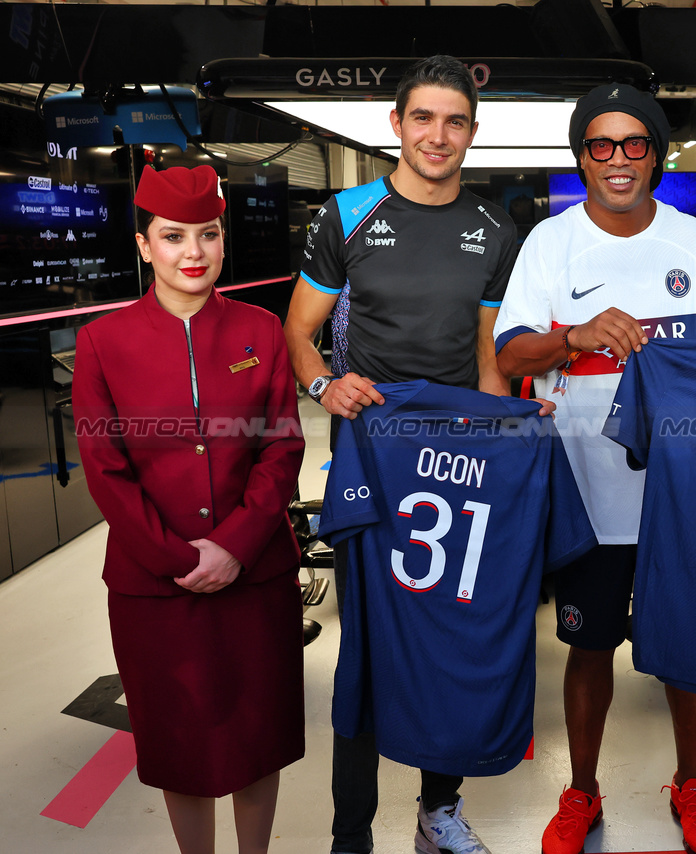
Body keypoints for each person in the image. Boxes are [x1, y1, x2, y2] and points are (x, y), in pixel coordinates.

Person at [493, 82, 696, 854]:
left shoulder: (692, 240)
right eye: (602, 146)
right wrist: (574, 335)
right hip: (588, 489)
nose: (619, 160)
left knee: (688, 646)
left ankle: (690, 782)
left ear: (658, 156)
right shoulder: (550, 243)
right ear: (582, 158)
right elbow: (509, 352)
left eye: (636, 145)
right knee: (587, 645)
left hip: (679, 488)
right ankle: (582, 791)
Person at [282, 55, 520, 854]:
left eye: (455, 121)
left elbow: (488, 350)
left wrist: (503, 433)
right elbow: (298, 333)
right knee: (371, 646)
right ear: (396, 125)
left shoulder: (492, 228)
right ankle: (352, 831)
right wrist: (324, 389)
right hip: (372, 462)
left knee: (449, 630)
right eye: (423, 118)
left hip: (457, 460)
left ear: (473, 135)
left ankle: (438, 809)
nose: (438, 135)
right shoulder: (345, 215)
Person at [74, 164, 306, 854]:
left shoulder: (261, 332)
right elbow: (106, 469)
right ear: (145, 246)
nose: (194, 252)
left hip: (256, 574)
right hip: (154, 584)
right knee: (180, 741)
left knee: (257, 737)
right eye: (173, 237)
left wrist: (235, 544)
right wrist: (179, 557)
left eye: (208, 234)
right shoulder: (103, 343)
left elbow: (280, 448)